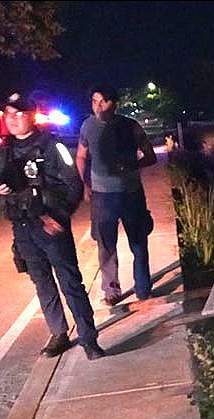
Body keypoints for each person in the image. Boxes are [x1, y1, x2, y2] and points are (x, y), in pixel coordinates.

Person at [0, 92, 106, 360]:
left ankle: (89, 338)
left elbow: (74, 185)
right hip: (22, 227)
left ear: (32, 115)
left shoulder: (52, 146)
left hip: (51, 226)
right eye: (9, 115)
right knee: (42, 282)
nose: (14, 120)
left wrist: (59, 215)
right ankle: (59, 333)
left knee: (70, 282)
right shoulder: (2, 150)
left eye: (19, 114)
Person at [76, 85, 157, 305]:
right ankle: (111, 291)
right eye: (94, 101)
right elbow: (81, 156)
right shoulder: (88, 126)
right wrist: (84, 184)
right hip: (102, 197)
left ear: (114, 103)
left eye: (103, 101)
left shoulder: (130, 126)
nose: (98, 106)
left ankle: (143, 287)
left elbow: (151, 157)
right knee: (105, 246)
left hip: (131, 193)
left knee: (139, 242)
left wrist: (133, 164)